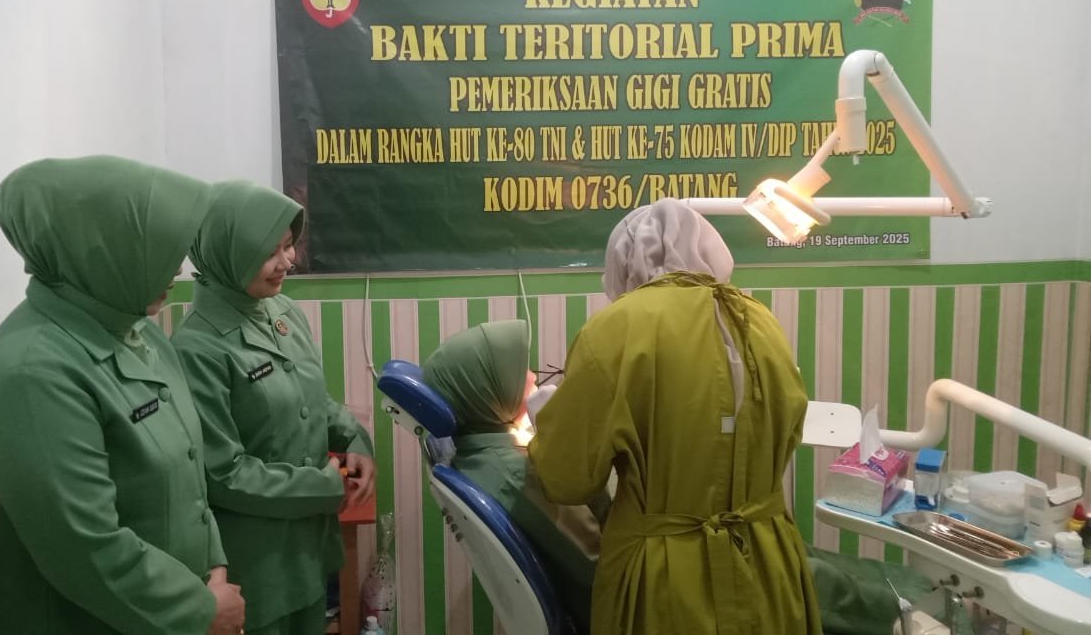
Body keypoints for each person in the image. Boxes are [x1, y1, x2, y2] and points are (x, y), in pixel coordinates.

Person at [0, 156, 245, 635]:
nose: (179, 267)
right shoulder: (31, 374)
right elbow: (84, 547)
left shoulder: (140, 334)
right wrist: (200, 609)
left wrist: (213, 570)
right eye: (158, 248)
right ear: (101, 250)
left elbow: (191, 472)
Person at [529, 197, 822, 635]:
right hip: (769, 563)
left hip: (663, 574)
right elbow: (789, 426)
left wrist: (547, 421)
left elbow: (567, 479)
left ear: (624, 262)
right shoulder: (762, 322)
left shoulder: (615, 328)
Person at [172, 180, 376, 635]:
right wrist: (322, 487)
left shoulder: (282, 311)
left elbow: (314, 401)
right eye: (271, 252)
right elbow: (222, 474)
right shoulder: (197, 347)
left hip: (307, 551)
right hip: (257, 565)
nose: (289, 261)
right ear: (228, 252)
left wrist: (354, 439)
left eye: (289, 245)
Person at [421, 319, 602, 634]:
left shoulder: (479, 455)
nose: (533, 376)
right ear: (486, 389)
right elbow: (599, 563)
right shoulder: (514, 473)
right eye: (518, 371)